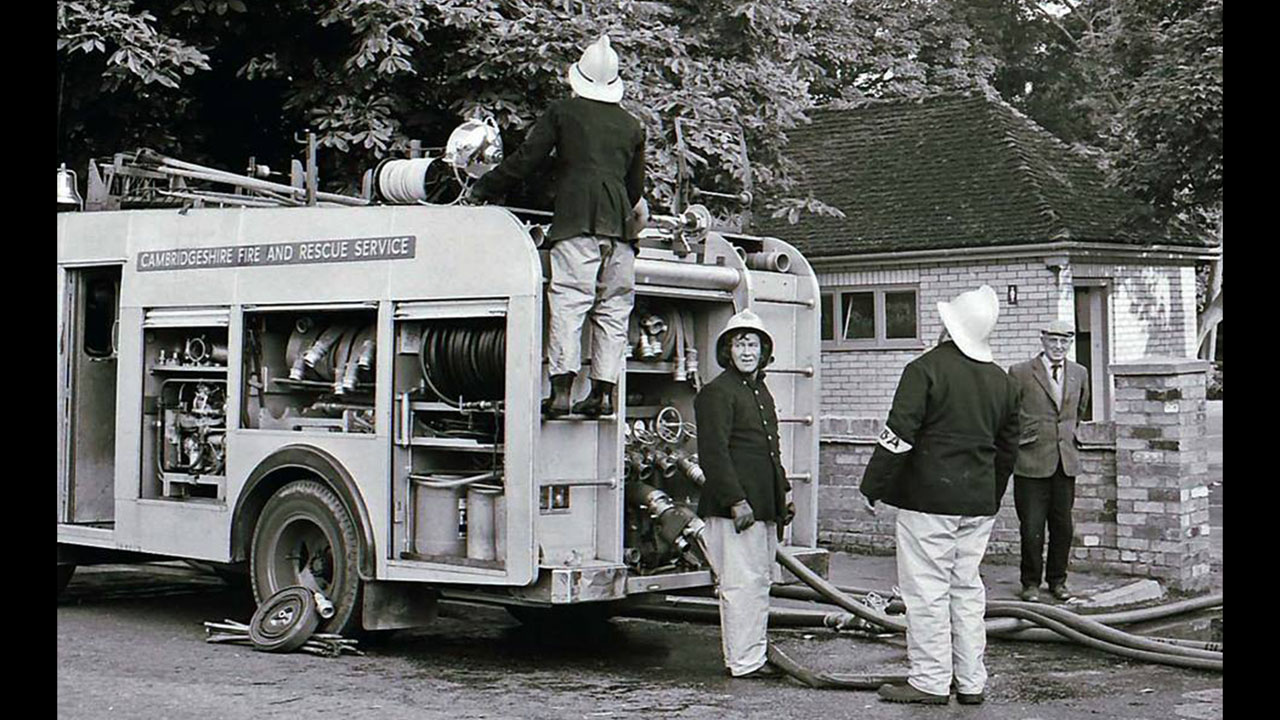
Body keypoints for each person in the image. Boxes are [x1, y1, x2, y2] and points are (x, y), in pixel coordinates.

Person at [470, 35, 648, 418]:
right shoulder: (633, 126)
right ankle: (603, 394)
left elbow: (527, 158)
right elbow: (635, 190)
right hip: (620, 234)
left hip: (576, 223)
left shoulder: (562, 113)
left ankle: (562, 392)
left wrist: (484, 186)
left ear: (578, 79)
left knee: (570, 300)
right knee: (614, 310)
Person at [860, 286, 1021, 705]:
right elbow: (1008, 450)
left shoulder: (924, 369)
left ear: (947, 328)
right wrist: (991, 493)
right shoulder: (1002, 381)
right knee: (966, 589)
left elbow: (898, 435)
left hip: (929, 501)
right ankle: (971, 681)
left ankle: (930, 681)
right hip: (978, 503)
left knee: (926, 590)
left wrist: (874, 485)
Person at [694, 309, 795, 679]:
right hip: (736, 510)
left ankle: (752, 654)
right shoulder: (716, 393)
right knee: (740, 586)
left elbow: (771, 449)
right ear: (728, 350)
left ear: (764, 349)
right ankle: (743, 661)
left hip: (763, 505)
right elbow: (714, 453)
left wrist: (782, 492)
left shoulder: (759, 391)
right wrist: (736, 500)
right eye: (739, 343)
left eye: (753, 343)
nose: (746, 351)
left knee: (759, 583)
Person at [1008, 320, 1089, 603]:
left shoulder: (1079, 372)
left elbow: (1078, 412)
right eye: (1053, 341)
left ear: (1069, 344)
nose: (1058, 347)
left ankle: (1058, 582)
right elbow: (1009, 414)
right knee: (1031, 527)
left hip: (1064, 461)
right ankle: (1030, 584)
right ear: (1042, 340)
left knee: (1062, 526)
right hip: (1030, 460)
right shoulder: (1020, 372)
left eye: (1064, 342)